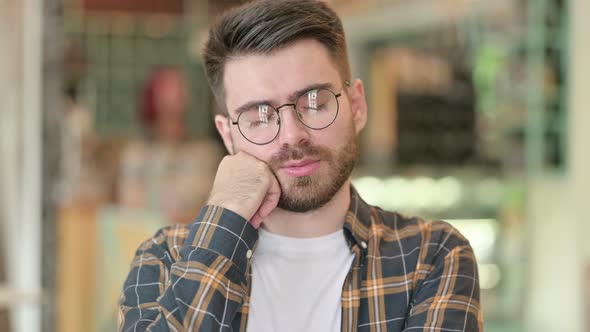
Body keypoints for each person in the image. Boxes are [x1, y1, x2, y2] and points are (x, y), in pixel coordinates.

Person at [117, 1, 483, 331]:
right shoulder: (166, 258)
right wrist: (226, 214)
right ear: (228, 135)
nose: (292, 135)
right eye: (259, 116)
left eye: (314, 101)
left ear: (356, 105)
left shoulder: (431, 257)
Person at [118, 67, 222, 225]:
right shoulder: (136, 154)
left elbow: (211, 205)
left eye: (181, 95)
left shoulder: (205, 153)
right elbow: (129, 205)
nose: (180, 100)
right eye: (168, 112)